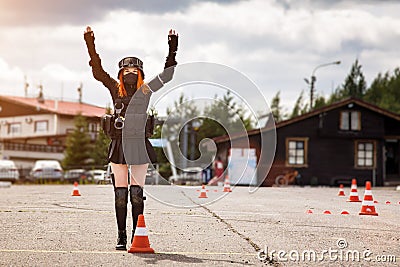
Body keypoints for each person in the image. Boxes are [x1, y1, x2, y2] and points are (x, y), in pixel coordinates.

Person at [83, 26, 178, 250]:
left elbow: (168, 75)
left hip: (138, 145)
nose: (129, 73)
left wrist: (172, 46)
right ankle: (121, 236)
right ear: (120, 75)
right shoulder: (115, 90)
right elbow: (98, 72)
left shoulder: (145, 90)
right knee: (119, 194)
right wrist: (90, 42)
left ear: (140, 74)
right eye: (125, 71)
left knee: (137, 194)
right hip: (118, 145)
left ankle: (138, 234)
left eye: (134, 71)